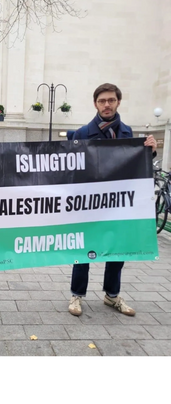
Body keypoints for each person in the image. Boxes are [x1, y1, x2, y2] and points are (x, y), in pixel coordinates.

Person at [68, 82, 157, 317]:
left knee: (118, 250)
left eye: (111, 100)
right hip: (88, 205)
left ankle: (112, 295)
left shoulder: (128, 133)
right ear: (95, 103)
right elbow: (70, 170)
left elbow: (137, 168)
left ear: (118, 102)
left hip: (119, 206)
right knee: (83, 251)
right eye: (102, 101)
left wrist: (150, 151)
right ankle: (77, 295)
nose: (106, 105)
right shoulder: (82, 134)